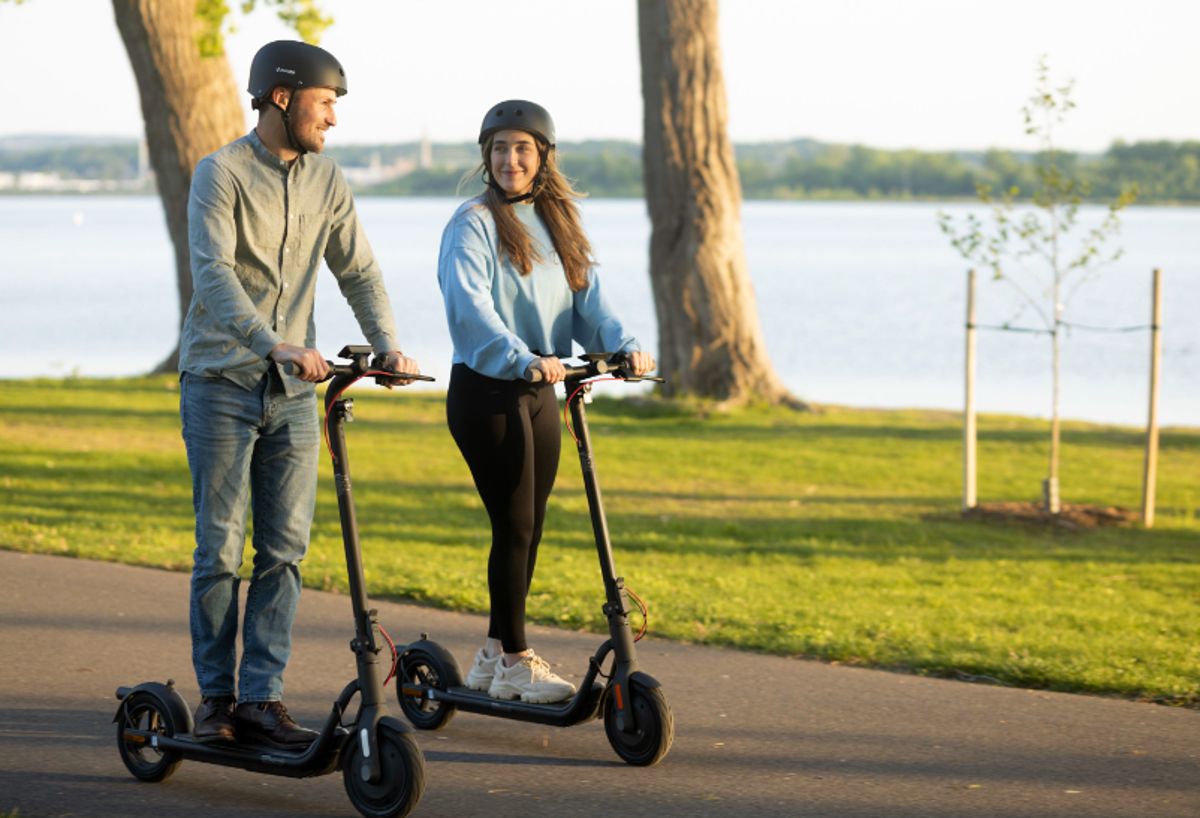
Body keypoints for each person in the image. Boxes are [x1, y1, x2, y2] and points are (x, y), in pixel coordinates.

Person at [180, 40, 419, 746]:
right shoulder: (217, 174)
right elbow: (214, 277)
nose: (333, 119)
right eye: (325, 103)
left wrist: (389, 346)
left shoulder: (327, 181)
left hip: (292, 395)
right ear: (282, 98)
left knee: (284, 550)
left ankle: (262, 699)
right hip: (221, 381)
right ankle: (217, 701)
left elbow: (360, 271)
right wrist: (273, 342)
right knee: (219, 551)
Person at [437, 100, 655, 704]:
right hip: (488, 388)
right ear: (487, 155)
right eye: (500, 148)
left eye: (522, 148)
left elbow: (590, 301)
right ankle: (514, 659)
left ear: (542, 157)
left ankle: (489, 654)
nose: (510, 159)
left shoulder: (559, 222)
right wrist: (520, 356)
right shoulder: (473, 223)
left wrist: (625, 348)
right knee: (514, 524)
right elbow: (469, 306)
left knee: (529, 530)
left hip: (539, 389)